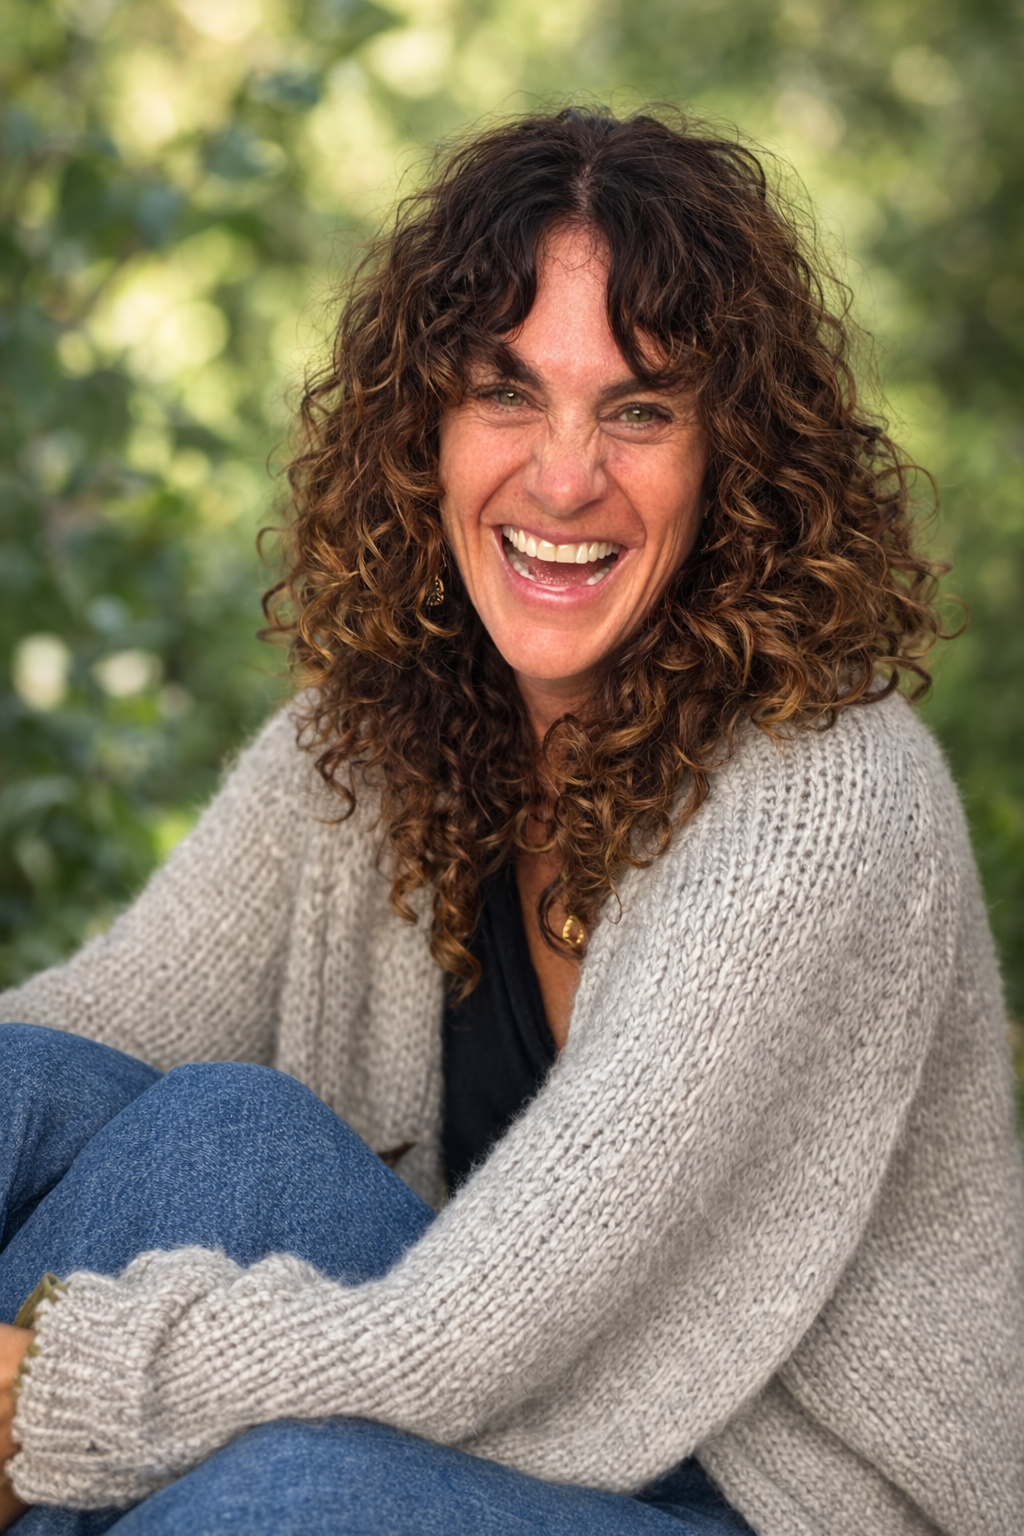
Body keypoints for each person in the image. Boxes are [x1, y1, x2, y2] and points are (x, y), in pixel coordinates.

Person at [0, 106, 1021, 1536]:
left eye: (640, 409)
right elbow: (90, 1031)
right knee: (208, 1129)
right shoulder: (376, 739)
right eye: (507, 393)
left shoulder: (824, 790)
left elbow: (490, 1323)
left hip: (773, 1495)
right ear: (422, 429)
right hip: (505, 1429)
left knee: (294, 1498)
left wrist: (56, 1383)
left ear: (739, 458)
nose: (562, 477)